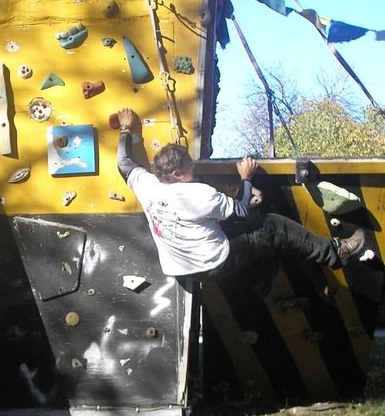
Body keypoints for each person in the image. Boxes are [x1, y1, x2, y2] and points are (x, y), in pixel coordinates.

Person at [114, 107, 367, 286]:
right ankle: (336, 252)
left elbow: (124, 162)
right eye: (190, 167)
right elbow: (242, 209)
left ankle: (261, 279)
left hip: (179, 270)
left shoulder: (147, 185)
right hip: (213, 262)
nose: (194, 169)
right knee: (273, 226)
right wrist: (246, 177)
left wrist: (126, 128)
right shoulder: (196, 193)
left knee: (246, 232)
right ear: (179, 174)